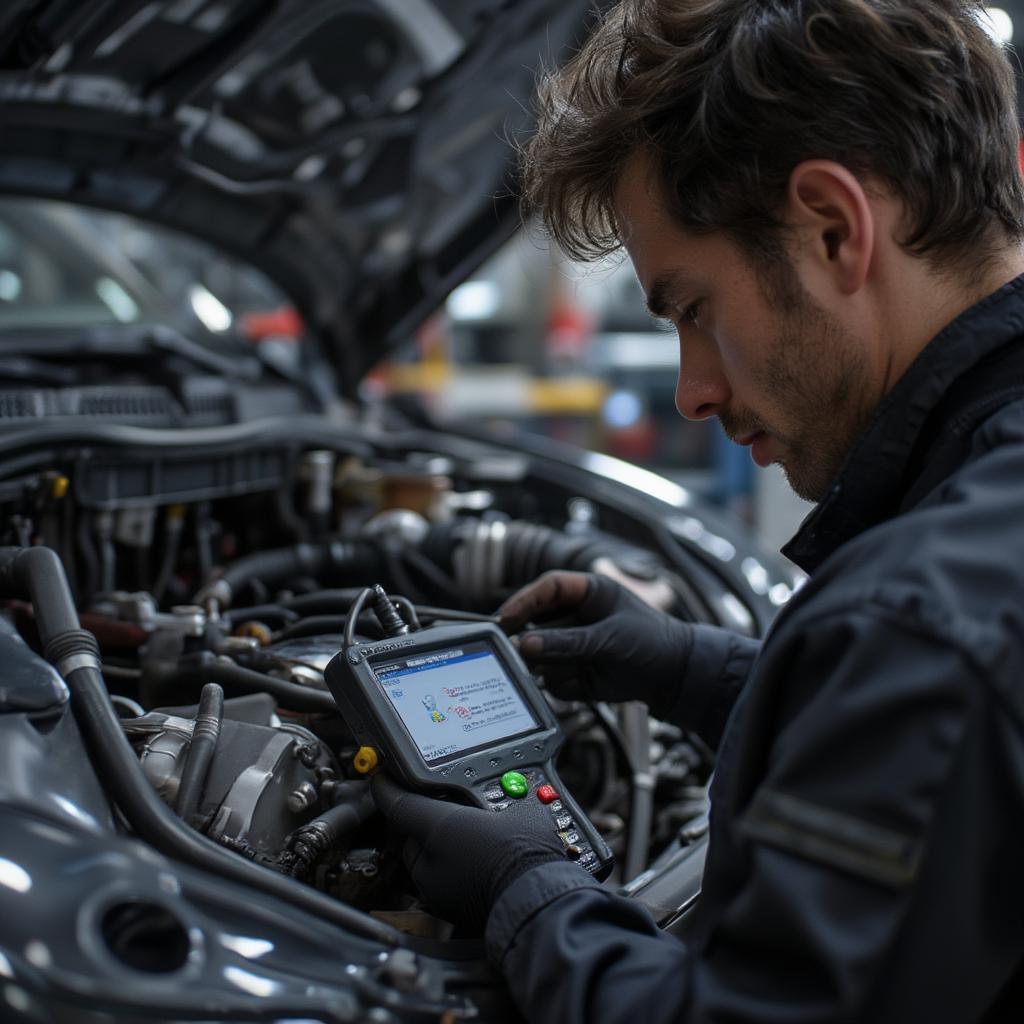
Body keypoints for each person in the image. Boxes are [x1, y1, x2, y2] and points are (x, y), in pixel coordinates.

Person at [371, 1, 1024, 1019]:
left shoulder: (921, 628)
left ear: (833, 228)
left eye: (690, 310)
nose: (692, 391)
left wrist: (528, 892)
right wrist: (697, 670)